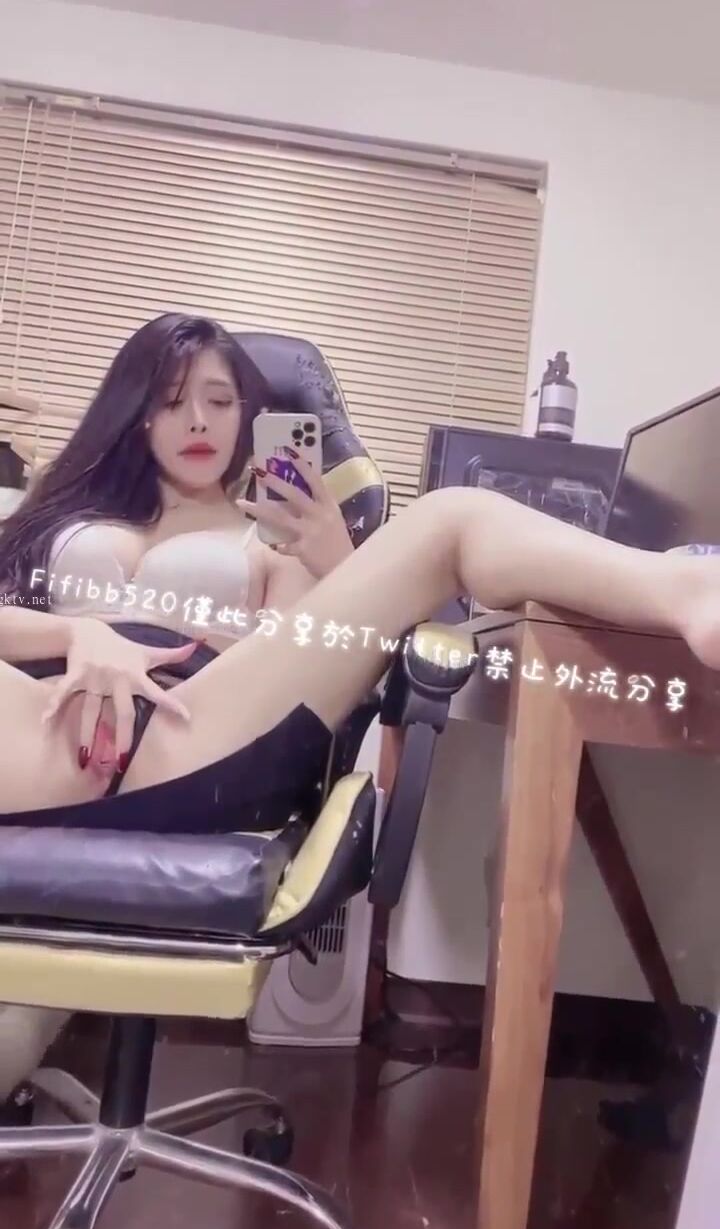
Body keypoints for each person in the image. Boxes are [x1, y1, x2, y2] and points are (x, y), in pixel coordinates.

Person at [1, 311, 720, 1126]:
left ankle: (686, 589)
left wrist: (334, 554)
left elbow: (322, 666)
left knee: (449, 517)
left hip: (194, 723)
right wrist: (76, 634)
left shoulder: (268, 537)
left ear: (249, 416)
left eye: (219, 400)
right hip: (43, 717)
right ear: (135, 413)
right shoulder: (57, 515)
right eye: (171, 401)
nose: (197, 420)